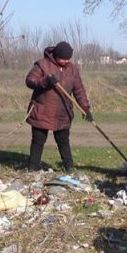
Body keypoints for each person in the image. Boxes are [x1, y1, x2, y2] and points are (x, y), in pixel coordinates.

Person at [25, 41, 92, 172]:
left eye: (68, 59)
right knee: (38, 140)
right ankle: (33, 167)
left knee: (63, 141)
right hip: (43, 111)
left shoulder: (72, 69)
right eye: (63, 58)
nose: (65, 61)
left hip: (63, 113)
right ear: (55, 55)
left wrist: (85, 108)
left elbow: (79, 90)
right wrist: (46, 81)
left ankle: (69, 167)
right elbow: (30, 81)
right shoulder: (42, 65)